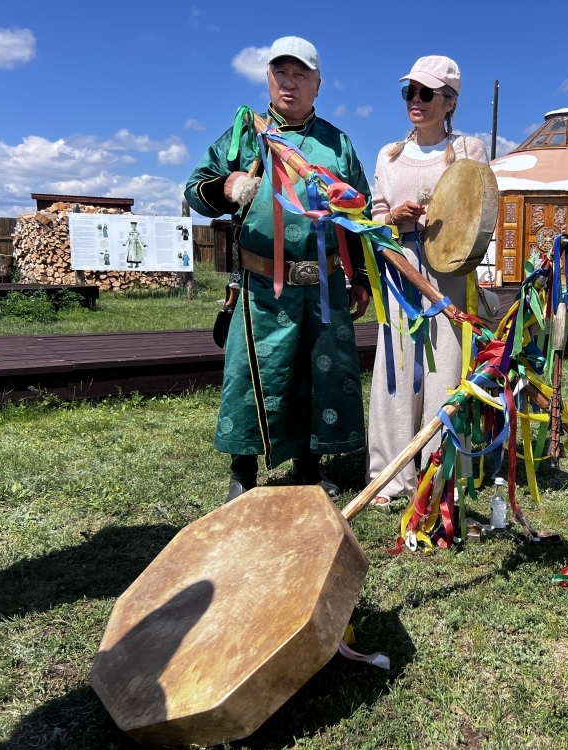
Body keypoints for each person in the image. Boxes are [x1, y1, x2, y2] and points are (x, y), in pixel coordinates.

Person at [185, 36, 372, 502]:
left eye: (300, 74)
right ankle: (243, 472)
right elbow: (194, 188)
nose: (289, 83)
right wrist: (226, 186)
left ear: (317, 84)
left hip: (324, 283)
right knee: (252, 374)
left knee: (319, 372)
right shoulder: (244, 135)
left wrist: (361, 277)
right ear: (268, 79)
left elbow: (359, 213)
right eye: (280, 73)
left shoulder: (337, 144)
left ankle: (310, 466)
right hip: (262, 285)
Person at [366, 55, 489, 505]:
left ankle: (442, 474)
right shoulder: (389, 155)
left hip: (449, 273)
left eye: (425, 93)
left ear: (449, 101)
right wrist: (393, 219)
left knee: (445, 370)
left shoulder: (469, 151)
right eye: (409, 92)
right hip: (401, 269)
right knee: (396, 369)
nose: (414, 100)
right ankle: (390, 475)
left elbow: (479, 207)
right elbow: (375, 216)